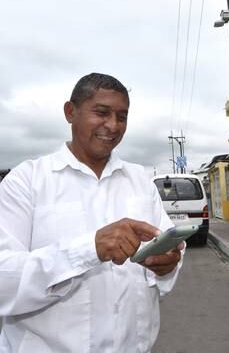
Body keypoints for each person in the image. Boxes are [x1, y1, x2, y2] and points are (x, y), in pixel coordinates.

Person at [0, 73, 184, 352]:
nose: (112, 125)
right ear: (70, 112)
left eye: (122, 116)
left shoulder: (139, 181)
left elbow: (166, 248)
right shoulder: (27, 181)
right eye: (101, 112)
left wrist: (167, 264)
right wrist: (88, 249)